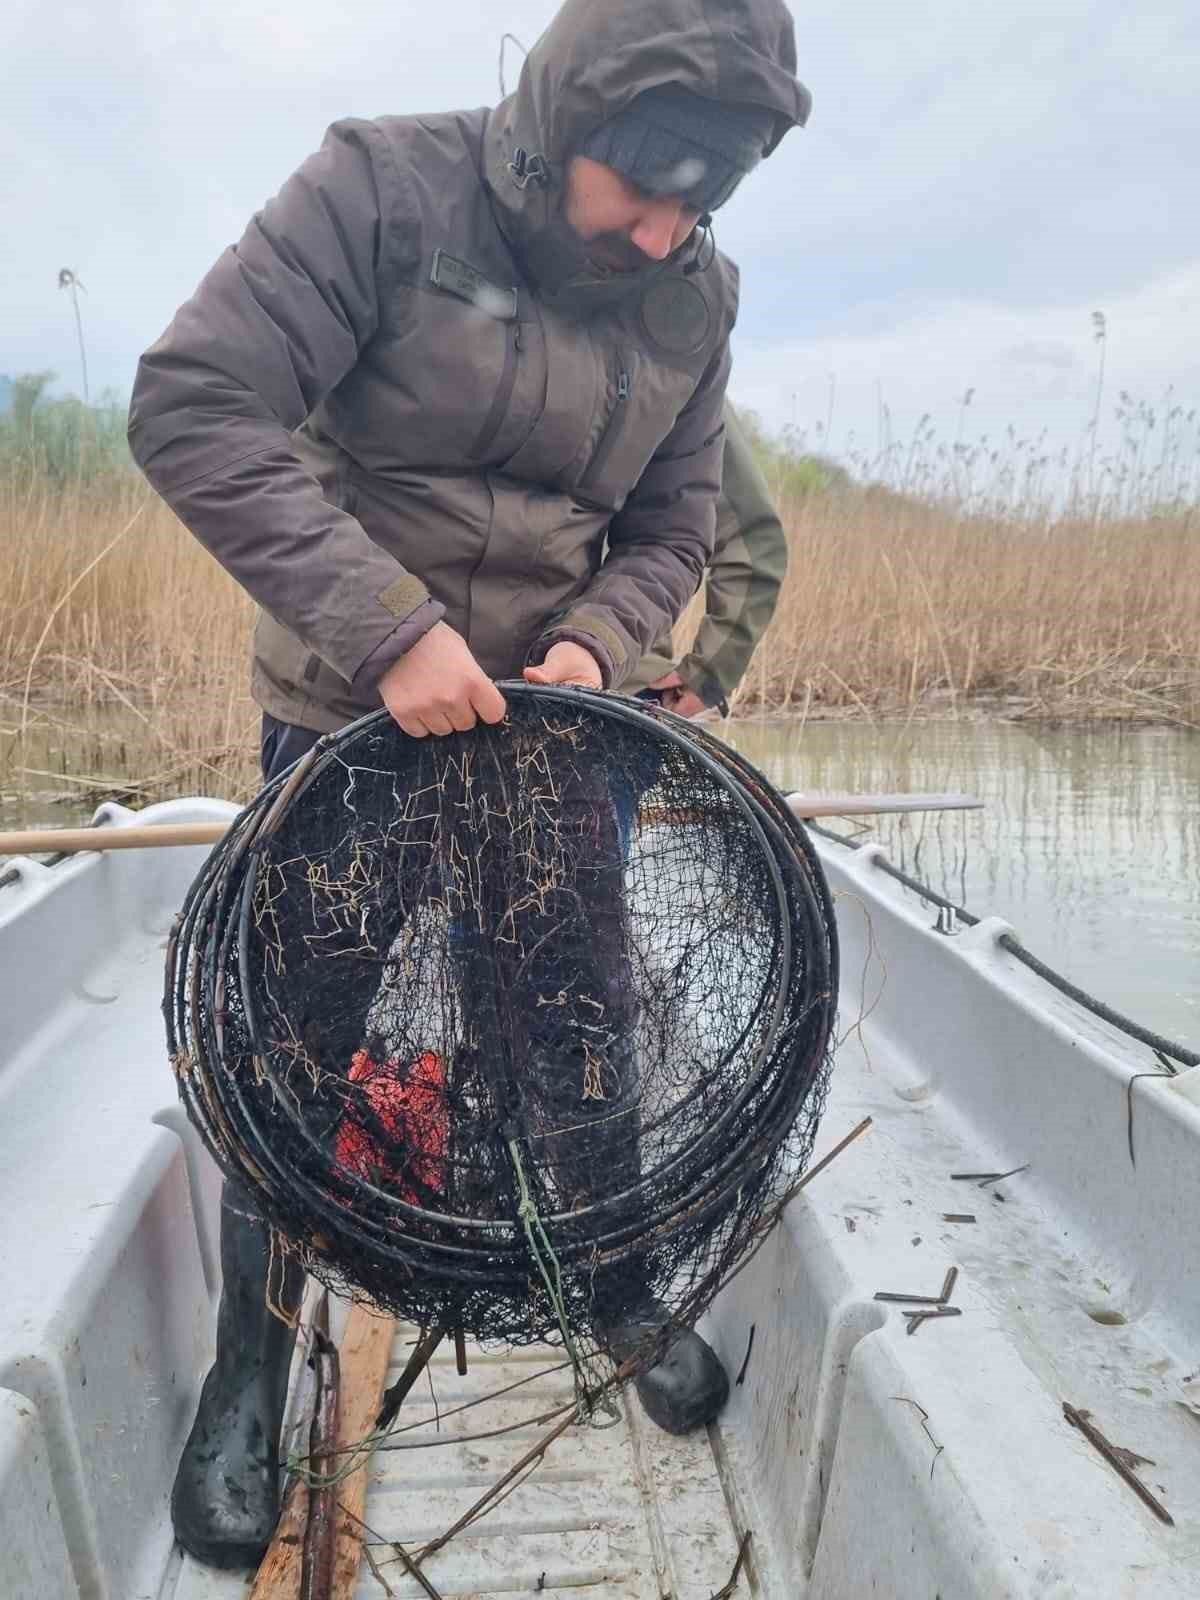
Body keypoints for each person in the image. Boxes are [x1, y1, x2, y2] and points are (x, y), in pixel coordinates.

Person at [129, 0, 810, 1568]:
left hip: (559, 727)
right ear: (561, 124)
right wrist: (391, 634)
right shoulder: (380, 188)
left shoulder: (696, 297)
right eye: (635, 191)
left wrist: (595, 648)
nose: (658, 235)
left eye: (696, 205)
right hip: (353, 714)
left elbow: (675, 535)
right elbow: (193, 402)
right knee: (291, 1042)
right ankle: (249, 1369)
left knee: (571, 1013)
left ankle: (616, 1285)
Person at [628, 403, 788, 717]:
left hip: (620, 699)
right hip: (620, 697)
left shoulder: (678, 367)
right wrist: (710, 674)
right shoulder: (668, 361)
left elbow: (754, 542)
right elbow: (755, 543)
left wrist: (709, 675)